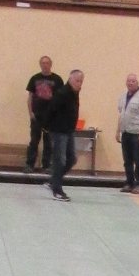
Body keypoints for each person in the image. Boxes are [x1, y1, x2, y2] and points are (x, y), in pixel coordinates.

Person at [42, 68, 82, 200]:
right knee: (60, 160)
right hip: (58, 131)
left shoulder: (75, 93)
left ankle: (53, 181)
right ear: (70, 79)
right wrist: (46, 127)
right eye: (77, 80)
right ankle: (57, 190)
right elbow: (51, 109)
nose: (79, 83)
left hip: (69, 130)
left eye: (81, 81)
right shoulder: (62, 93)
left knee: (72, 159)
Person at [25, 56, 62, 171]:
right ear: (40, 64)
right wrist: (30, 113)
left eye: (47, 63)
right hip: (37, 115)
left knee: (49, 142)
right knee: (34, 141)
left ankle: (47, 166)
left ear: (51, 64)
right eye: (43, 63)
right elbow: (30, 97)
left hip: (51, 117)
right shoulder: (34, 78)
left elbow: (61, 99)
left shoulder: (57, 79)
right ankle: (29, 165)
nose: (45, 65)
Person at [116, 73, 139, 191]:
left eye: (133, 81)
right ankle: (129, 183)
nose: (130, 83)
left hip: (137, 133)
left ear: (137, 83)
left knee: (138, 160)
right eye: (128, 81)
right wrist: (118, 131)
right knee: (127, 160)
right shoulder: (122, 96)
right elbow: (121, 114)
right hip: (125, 132)